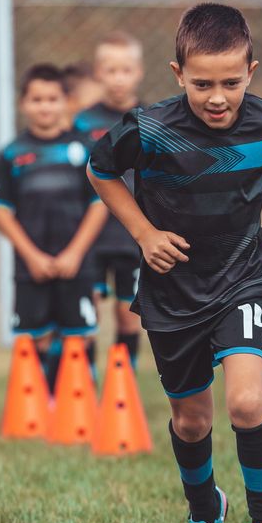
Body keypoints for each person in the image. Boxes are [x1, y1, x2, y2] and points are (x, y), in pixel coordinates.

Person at [88, 3, 262, 523]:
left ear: (251, 70)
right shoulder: (148, 128)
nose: (218, 96)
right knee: (192, 421)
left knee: (248, 404)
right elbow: (100, 170)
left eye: (231, 82)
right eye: (202, 83)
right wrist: (144, 234)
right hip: (172, 289)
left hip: (241, 275)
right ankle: (206, 515)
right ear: (178, 74)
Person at [0, 64, 107, 391]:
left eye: (52, 99)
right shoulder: (11, 155)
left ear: (65, 102)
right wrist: (32, 256)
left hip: (77, 265)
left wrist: (74, 253)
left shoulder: (85, 149)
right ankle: (40, 407)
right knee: (36, 338)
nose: (45, 106)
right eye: (37, 99)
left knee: (79, 337)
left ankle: (79, 408)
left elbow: (99, 205)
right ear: (24, 104)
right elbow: (1, 213)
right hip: (32, 267)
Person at [74, 32, 144, 368]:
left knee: (128, 316)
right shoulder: (81, 122)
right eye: (111, 70)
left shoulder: (151, 119)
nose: (118, 78)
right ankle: (85, 390)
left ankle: (122, 392)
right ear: (98, 73)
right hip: (91, 238)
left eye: (126, 70)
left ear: (138, 72)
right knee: (88, 316)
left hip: (134, 237)